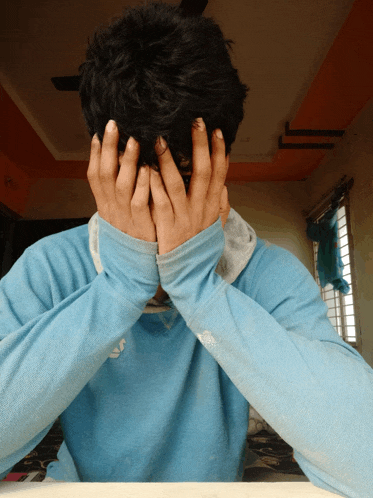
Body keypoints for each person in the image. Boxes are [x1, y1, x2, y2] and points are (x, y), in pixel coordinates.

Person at [0, 2, 372, 496]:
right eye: (139, 190)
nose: (161, 219)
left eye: (184, 186)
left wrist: (197, 285)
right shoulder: (50, 266)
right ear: (102, 171)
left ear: (220, 169)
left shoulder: (268, 274)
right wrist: (121, 286)